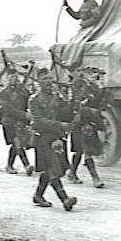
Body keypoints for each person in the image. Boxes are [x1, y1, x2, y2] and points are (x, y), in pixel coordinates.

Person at [28, 68, 78, 210]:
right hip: (43, 138)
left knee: (51, 168)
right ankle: (64, 199)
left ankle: (38, 195)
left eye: (50, 78)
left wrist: (72, 104)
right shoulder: (34, 100)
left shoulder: (57, 96)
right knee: (53, 168)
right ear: (39, 82)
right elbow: (38, 121)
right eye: (44, 79)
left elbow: (65, 114)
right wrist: (60, 125)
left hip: (57, 137)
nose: (48, 82)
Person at [67, 66, 108, 188]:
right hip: (79, 123)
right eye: (91, 75)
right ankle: (95, 178)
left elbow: (100, 105)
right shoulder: (75, 87)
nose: (94, 77)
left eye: (95, 75)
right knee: (86, 151)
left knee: (81, 151)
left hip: (90, 123)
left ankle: (72, 172)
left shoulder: (95, 88)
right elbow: (73, 106)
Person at [0, 68, 34, 175]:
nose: (14, 78)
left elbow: (30, 101)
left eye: (15, 76)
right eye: (11, 77)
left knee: (16, 144)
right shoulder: (4, 93)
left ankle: (9, 165)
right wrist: (24, 115)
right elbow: (9, 110)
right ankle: (27, 165)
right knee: (17, 141)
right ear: (6, 79)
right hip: (9, 121)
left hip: (21, 122)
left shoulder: (23, 90)